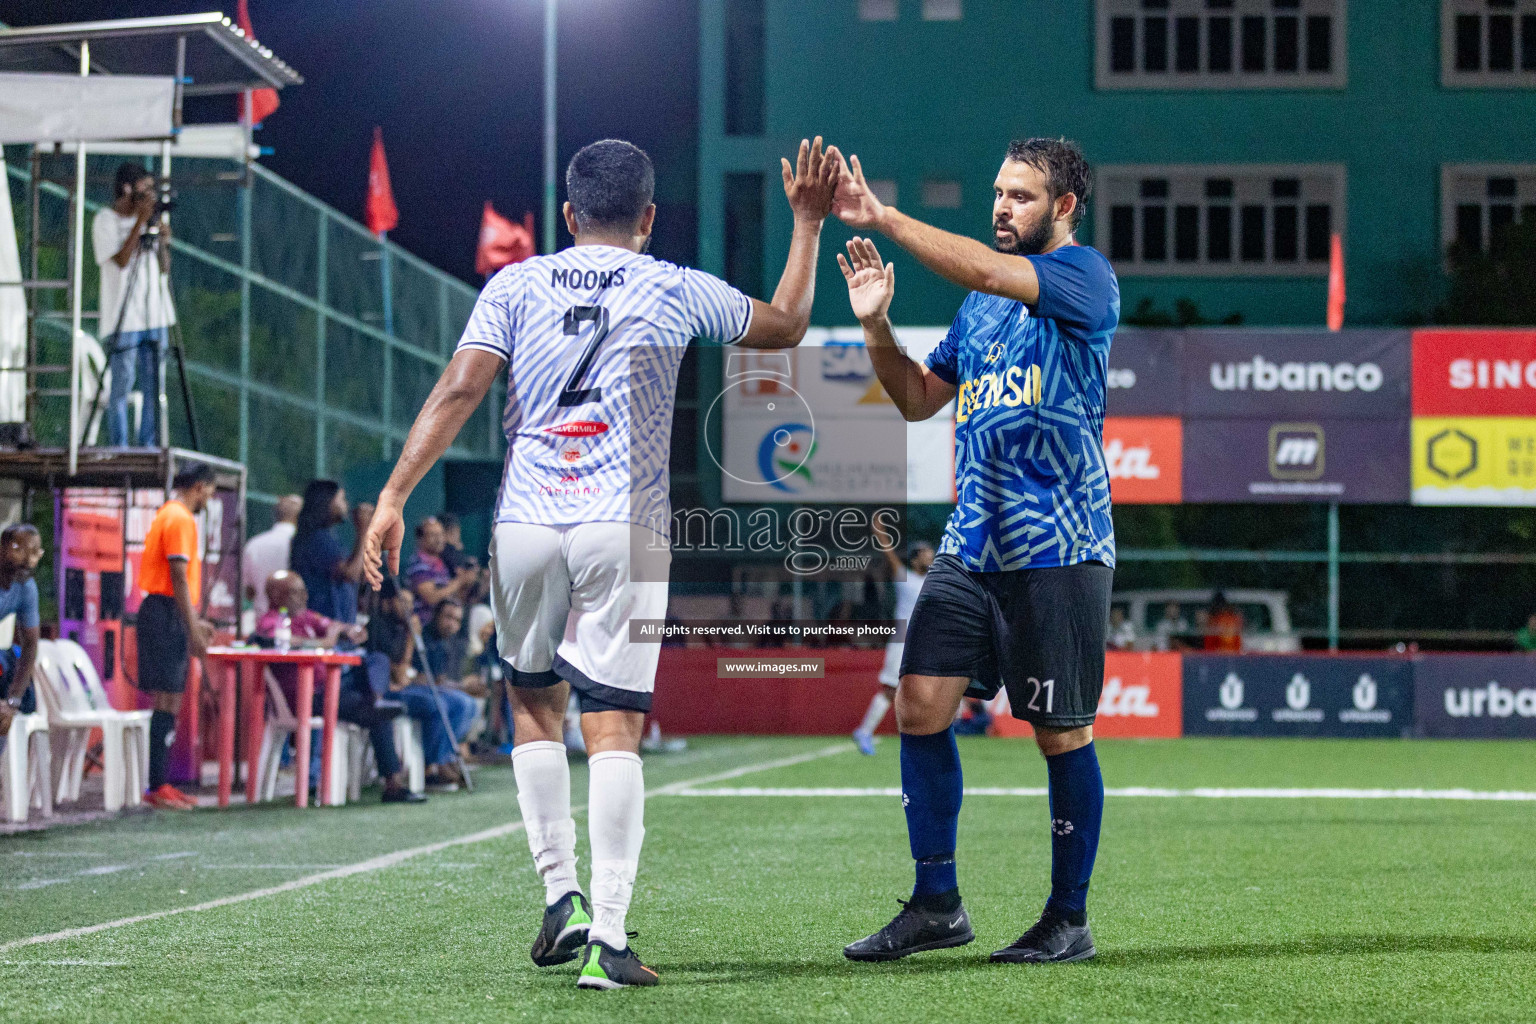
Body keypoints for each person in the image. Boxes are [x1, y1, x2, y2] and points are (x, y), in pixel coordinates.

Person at [362, 136, 840, 988]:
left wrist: (396, 495)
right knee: (613, 725)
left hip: (528, 523)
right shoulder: (675, 286)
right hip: (625, 524)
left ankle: (561, 899)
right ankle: (609, 942)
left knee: (532, 704)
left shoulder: (516, 283)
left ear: (570, 215)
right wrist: (805, 223)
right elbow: (787, 325)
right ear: (649, 219)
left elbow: (460, 390)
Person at [834, 137, 1117, 965]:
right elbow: (919, 401)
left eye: (1021, 196)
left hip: (1060, 544)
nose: (1001, 207)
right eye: (997, 192)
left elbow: (994, 272)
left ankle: (1068, 919)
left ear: (1063, 206)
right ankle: (936, 904)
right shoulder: (981, 310)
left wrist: (884, 216)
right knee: (920, 705)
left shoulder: (1083, 276)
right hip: (972, 546)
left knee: (1061, 733)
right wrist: (877, 325)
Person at [257, 571, 424, 804]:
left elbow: (333, 625)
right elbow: (275, 640)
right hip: (304, 698)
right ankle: (376, 701)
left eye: (303, 590)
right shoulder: (273, 620)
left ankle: (392, 783)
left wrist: (350, 631)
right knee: (375, 708)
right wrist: (324, 643)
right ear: (276, 595)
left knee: (377, 666)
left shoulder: (307, 617)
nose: (304, 596)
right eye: (296, 592)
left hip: (330, 690)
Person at [136, 463, 217, 810]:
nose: (210, 500)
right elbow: (179, 577)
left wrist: (194, 622)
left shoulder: (171, 514)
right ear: (200, 487)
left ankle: (161, 783)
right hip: (165, 612)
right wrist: (193, 625)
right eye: (211, 492)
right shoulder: (180, 517)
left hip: (166, 612)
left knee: (169, 699)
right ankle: (156, 785)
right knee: (166, 699)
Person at [365, 577, 477, 792]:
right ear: (387, 603)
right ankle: (429, 767)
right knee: (438, 704)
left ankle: (441, 759)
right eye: (402, 602)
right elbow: (400, 676)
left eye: (410, 604)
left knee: (463, 703)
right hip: (386, 693)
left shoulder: (402, 628)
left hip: (408, 687)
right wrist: (411, 637)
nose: (408, 609)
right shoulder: (379, 629)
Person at [94, 162, 175, 448]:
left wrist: (163, 241)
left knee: (155, 386)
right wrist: (139, 223)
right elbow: (120, 261)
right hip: (123, 318)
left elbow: (165, 269)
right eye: (144, 191)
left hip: (155, 314)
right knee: (122, 386)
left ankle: (149, 445)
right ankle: (120, 447)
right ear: (126, 189)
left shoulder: (152, 221)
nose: (150, 198)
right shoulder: (105, 220)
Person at [853, 535, 934, 756]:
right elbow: (888, 554)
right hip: (901, 643)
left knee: (925, 691)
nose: (931, 557)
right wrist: (879, 532)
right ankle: (864, 731)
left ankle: (922, 737)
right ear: (915, 560)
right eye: (926, 553)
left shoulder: (934, 582)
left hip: (923, 645)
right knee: (890, 689)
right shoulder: (904, 577)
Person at [289, 480, 371, 625]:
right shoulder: (316, 539)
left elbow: (359, 574)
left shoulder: (327, 538)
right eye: (342, 499)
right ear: (327, 502)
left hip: (337, 628)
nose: (346, 505)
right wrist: (363, 531)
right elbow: (351, 574)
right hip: (325, 628)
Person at [0, 525, 44, 744]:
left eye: (35, 552)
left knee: (11, 668)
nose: (29, 560)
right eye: (20, 550)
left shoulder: (25, 587)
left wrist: (12, 702)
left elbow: (29, 648)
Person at [406, 517, 482, 622]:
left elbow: (452, 596)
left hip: (443, 628)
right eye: (433, 535)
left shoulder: (442, 563)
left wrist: (469, 582)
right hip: (424, 626)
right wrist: (459, 581)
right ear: (421, 539)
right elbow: (430, 598)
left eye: (441, 534)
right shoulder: (418, 564)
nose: (439, 539)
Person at [242, 493, 302, 619]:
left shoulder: (254, 544)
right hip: (296, 624)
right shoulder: (301, 545)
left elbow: (249, 591)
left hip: (262, 622)